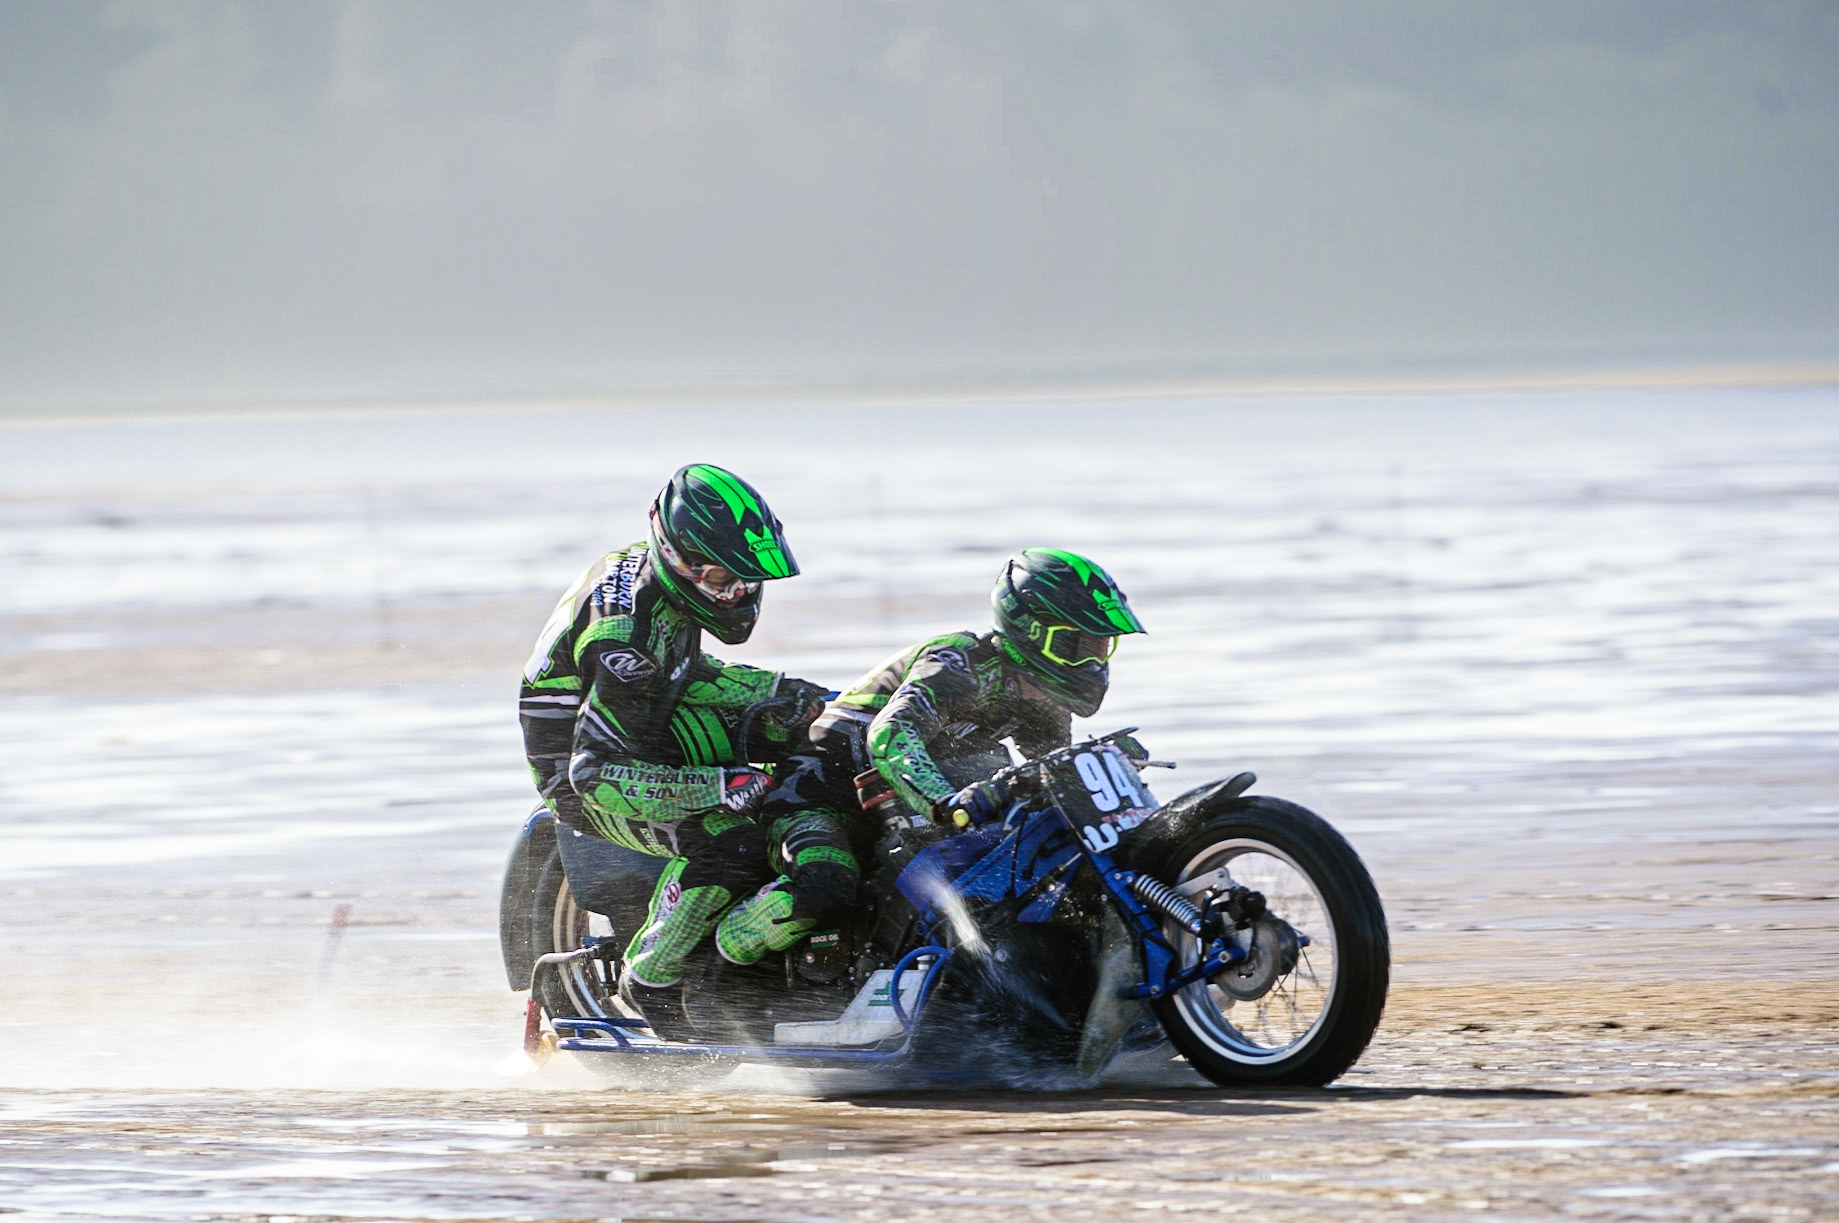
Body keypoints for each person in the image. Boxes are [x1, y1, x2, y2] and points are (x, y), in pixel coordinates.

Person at [517, 463, 839, 1027]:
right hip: (589, 770)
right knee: (736, 841)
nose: (736, 593)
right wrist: (717, 786)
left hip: (650, 712)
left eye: (746, 580)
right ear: (677, 558)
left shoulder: (653, 588)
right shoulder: (627, 644)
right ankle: (653, 975)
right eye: (721, 579)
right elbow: (592, 773)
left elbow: (680, 669)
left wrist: (798, 696)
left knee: (811, 726)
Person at [715, 547, 1145, 957]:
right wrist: (946, 803)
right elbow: (891, 734)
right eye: (1080, 648)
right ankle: (723, 957)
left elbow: (1049, 771)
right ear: (1033, 632)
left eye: (1101, 648)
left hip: (900, 812)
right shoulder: (958, 662)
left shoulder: (1043, 701)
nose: (1093, 664)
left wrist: (1104, 763)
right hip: (815, 798)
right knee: (825, 886)